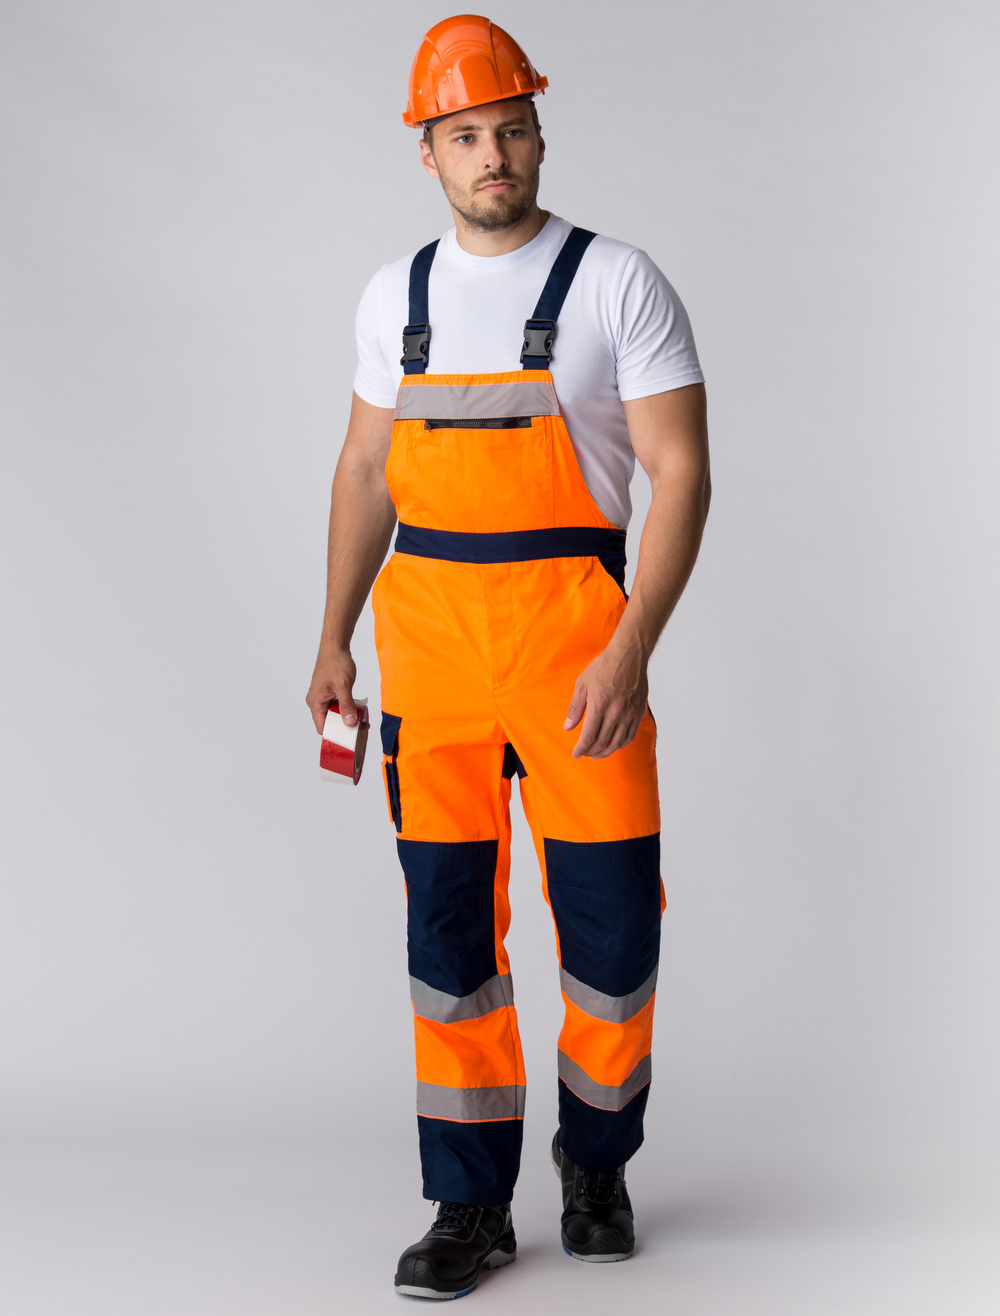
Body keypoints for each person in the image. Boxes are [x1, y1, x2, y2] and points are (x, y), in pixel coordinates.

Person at [306, 14, 710, 1301]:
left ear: (540, 135)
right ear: (427, 152)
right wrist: (331, 634)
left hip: (579, 658)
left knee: (610, 929)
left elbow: (681, 472)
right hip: (429, 665)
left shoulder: (615, 282)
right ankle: (469, 1202)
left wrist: (632, 648)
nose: (493, 155)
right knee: (448, 938)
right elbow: (366, 471)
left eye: (512, 130)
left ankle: (595, 1164)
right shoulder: (396, 296)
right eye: (466, 135)